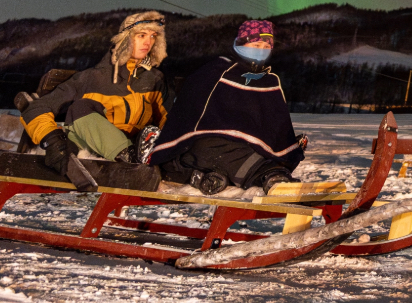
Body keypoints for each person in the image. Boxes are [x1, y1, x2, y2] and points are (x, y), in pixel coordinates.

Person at [146, 19, 307, 198]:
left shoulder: (268, 80)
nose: (260, 50)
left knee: (260, 153)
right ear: (240, 43)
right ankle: (271, 176)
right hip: (201, 144)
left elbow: (271, 121)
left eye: (265, 46)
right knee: (222, 150)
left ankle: (272, 173)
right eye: (255, 44)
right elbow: (190, 115)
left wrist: (283, 144)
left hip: (242, 148)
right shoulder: (217, 70)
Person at [23, 10, 170, 190]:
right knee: (80, 108)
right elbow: (36, 108)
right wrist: (51, 140)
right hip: (92, 150)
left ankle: (134, 156)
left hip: (139, 148)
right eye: (141, 35)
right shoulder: (91, 78)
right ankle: (129, 156)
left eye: (153, 36)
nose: (148, 42)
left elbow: (168, 119)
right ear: (124, 39)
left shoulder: (155, 80)